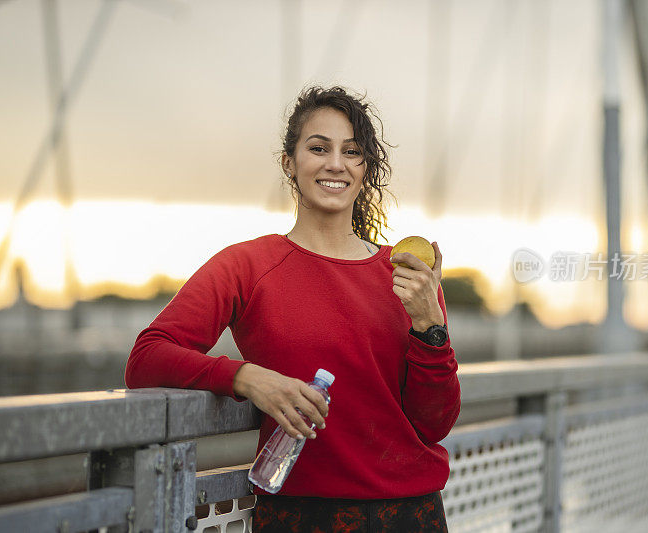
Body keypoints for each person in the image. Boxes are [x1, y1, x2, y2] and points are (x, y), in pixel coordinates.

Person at [125, 85, 460, 532]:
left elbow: (434, 423)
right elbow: (147, 357)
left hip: (412, 515)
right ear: (290, 163)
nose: (335, 164)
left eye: (352, 152)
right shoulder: (247, 265)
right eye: (318, 148)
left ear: (365, 169)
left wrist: (430, 326)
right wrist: (247, 378)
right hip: (301, 516)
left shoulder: (408, 274)